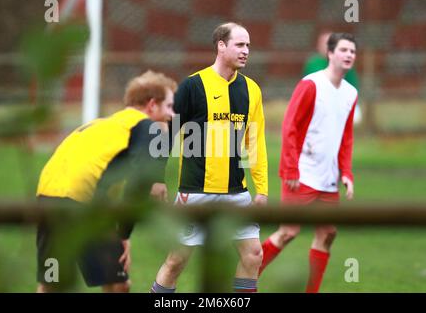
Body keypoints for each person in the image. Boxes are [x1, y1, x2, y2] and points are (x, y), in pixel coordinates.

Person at [150, 22, 268, 293]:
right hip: (195, 192)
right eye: (240, 44)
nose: (246, 50)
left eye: (248, 45)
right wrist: (156, 178)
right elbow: (166, 135)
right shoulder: (192, 86)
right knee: (177, 260)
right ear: (221, 46)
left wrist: (261, 188)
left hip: (237, 192)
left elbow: (255, 141)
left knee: (253, 255)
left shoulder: (252, 90)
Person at [36, 70, 177, 292]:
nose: (172, 115)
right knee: (118, 284)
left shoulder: (103, 125)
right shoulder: (146, 126)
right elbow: (146, 184)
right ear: (152, 105)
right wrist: (124, 233)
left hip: (47, 198)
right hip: (81, 201)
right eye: (169, 107)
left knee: (51, 281)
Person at [259, 33, 358, 293]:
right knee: (288, 232)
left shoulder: (351, 93)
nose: (349, 55)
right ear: (330, 53)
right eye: (344, 50)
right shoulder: (311, 84)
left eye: (353, 51)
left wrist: (346, 171)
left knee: (328, 233)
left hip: (329, 178)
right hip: (300, 174)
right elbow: (290, 126)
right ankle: (245, 280)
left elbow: (346, 136)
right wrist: (291, 167)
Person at [303, 30, 362, 124]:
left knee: (355, 119)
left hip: (342, 102)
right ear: (318, 45)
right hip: (318, 103)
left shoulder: (345, 62)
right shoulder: (313, 64)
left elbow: (353, 85)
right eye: (324, 43)